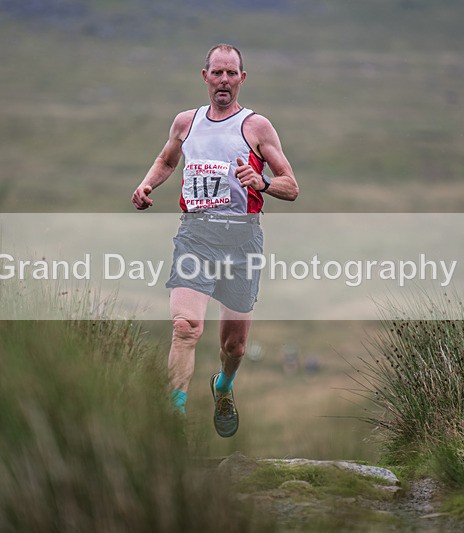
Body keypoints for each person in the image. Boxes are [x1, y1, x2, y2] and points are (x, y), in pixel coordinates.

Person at [131, 43, 299, 437]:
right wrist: (146, 183)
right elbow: (167, 160)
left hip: (242, 241)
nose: (224, 80)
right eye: (217, 73)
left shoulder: (257, 127)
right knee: (186, 326)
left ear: (242, 78)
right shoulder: (185, 123)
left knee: (235, 348)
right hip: (196, 235)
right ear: (204, 76)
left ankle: (223, 386)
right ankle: (174, 414)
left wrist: (263, 182)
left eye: (231, 73)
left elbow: (292, 187)